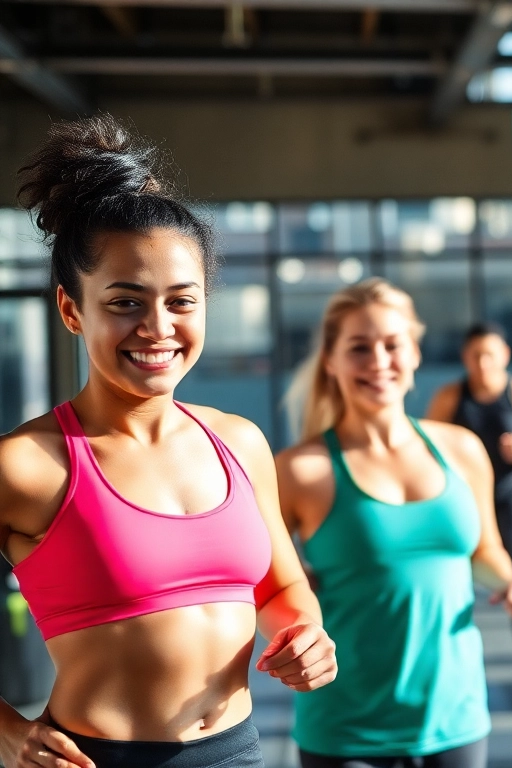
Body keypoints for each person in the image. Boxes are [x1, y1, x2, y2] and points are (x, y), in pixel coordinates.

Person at [0, 114, 336, 768]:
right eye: (126, 302)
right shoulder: (27, 466)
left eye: (181, 301)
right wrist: (7, 731)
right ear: (73, 309)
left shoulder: (239, 442)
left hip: (238, 753)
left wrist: (306, 633)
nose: (158, 327)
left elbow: (279, 589)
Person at [276, 278, 512, 768]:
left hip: (455, 717)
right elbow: (270, 582)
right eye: (359, 347)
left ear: (415, 353)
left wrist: (511, 583)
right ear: (330, 361)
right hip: (345, 725)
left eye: (392, 345)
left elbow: (484, 553)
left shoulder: (462, 449)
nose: (379, 361)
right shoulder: (300, 470)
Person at [426, 321, 512, 710]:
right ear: (464, 358)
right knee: (450, 578)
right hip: (465, 501)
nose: (483, 363)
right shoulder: (450, 396)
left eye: (490, 354)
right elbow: (426, 450)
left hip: (511, 496)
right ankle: (446, 677)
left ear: (504, 356)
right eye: (475, 355)